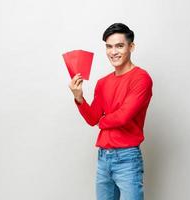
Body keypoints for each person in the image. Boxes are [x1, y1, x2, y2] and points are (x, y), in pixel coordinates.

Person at [69, 23, 153, 200]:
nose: (113, 52)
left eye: (119, 46)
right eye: (109, 46)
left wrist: (103, 120)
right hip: (103, 159)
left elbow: (123, 117)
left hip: (127, 159)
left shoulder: (141, 78)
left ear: (131, 47)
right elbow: (93, 118)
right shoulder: (102, 83)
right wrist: (79, 98)